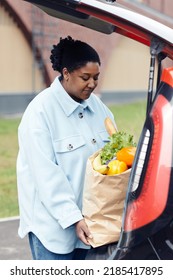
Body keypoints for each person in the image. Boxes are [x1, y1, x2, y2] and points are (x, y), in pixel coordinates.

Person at [16, 36, 116, 260]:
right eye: (85, 77)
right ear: (66, 73)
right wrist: (73, 218)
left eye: (96, 78)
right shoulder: (40, 112)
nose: (92, 84)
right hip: (53, 229)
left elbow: (115, 156)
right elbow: (46, 177)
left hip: (92, 227)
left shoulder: (99, 108)